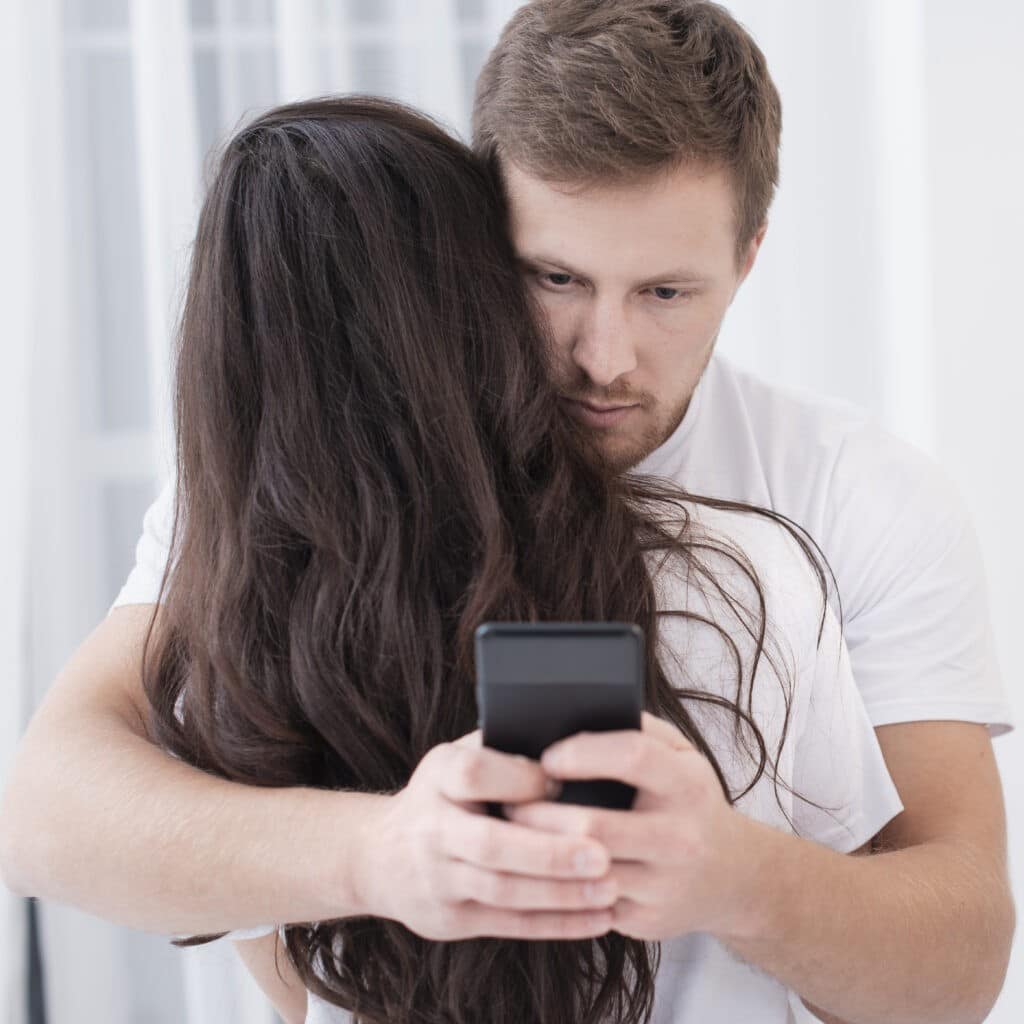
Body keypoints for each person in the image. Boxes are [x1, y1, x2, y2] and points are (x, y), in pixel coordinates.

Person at [0, 1, 1013, 1022]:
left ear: (748, 256)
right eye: (555, 277)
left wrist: (738, 877)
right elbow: (46, 810)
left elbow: (960, 964)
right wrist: (380, 853)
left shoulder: (849, 507)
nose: (603, 358)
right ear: (480, 237)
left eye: (665, 292)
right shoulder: (309, 485)